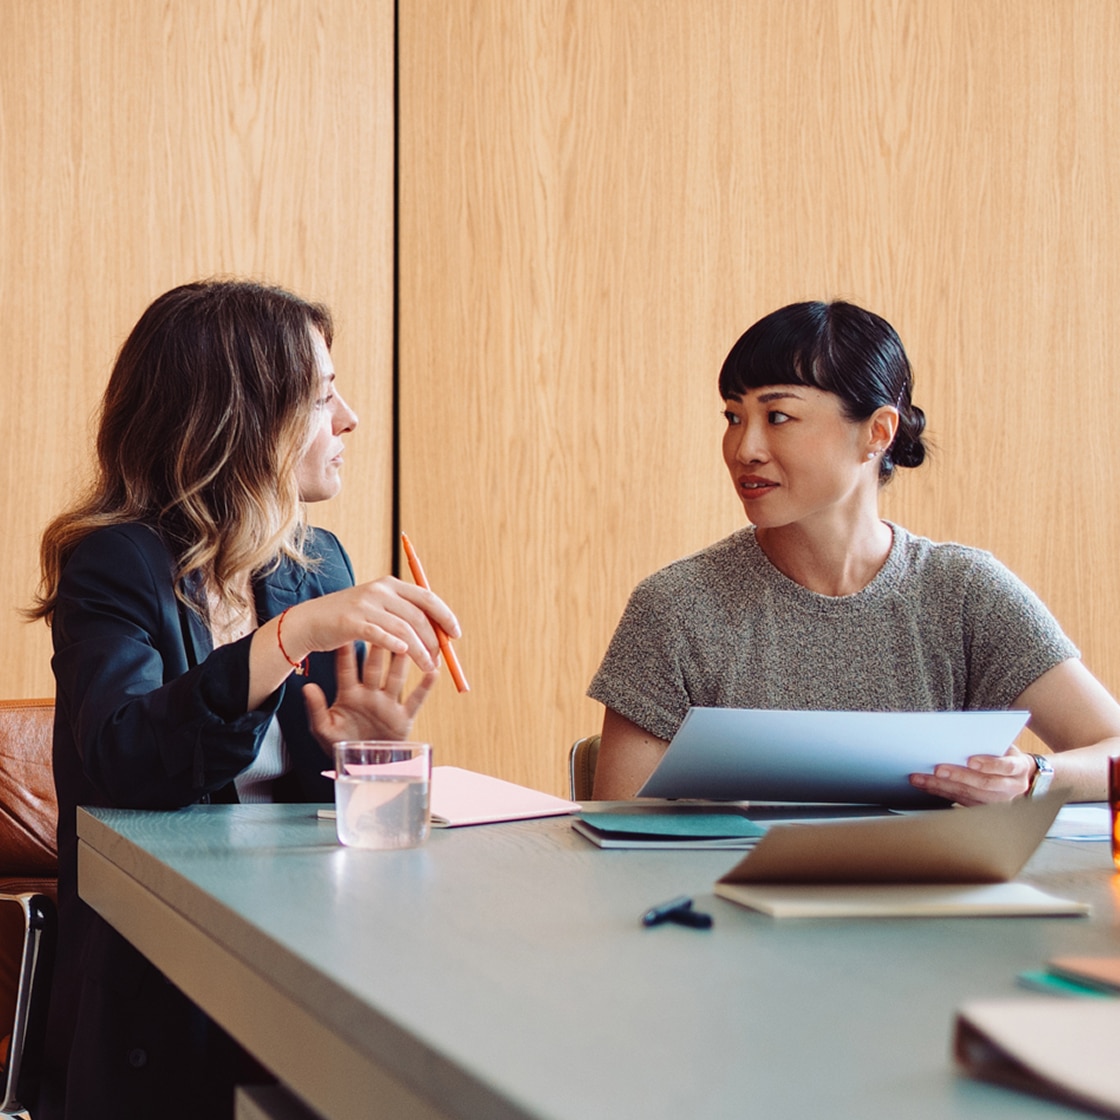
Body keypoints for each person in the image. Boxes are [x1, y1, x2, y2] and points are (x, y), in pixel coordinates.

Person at [28, 279, 461, 1119]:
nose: (350, 419)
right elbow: (127, 761)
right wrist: (287, 639)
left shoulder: (313, 563)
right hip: (160, 981)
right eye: (322, 396)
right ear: (240, 419)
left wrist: (351, 760)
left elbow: (304, 820)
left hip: (301, 952)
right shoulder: (114, 566)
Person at [588, 300, 1120, 801]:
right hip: (730, 898)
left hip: (930, 893)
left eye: (777, 417)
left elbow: (1111, 748)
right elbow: (617, 830)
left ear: (878, 432)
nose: (744, 448)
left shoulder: (964, 593)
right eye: (733, 417)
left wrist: (1031, 777)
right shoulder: (676, 607)